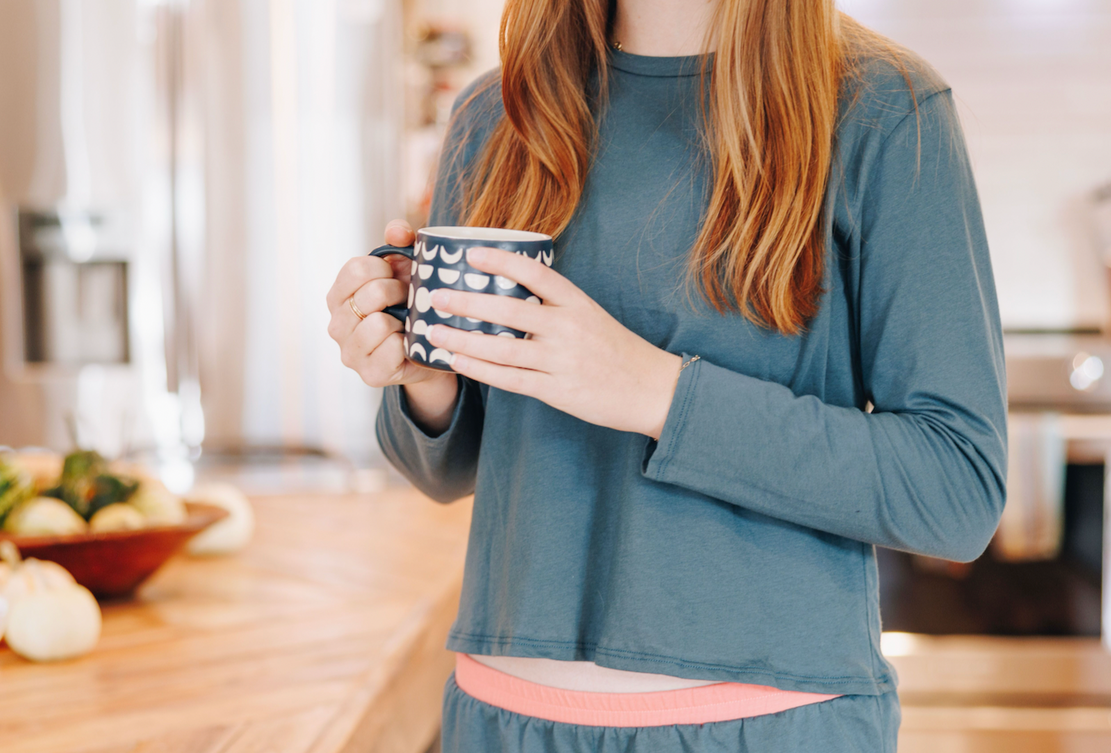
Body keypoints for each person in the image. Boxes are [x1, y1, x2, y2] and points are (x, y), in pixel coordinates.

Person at [325, 0, 1006, 750]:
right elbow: (452, 468)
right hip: (496, 714)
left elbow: (956, 488)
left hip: (760, 729)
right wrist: (423, 377)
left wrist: (655, 391)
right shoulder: (497, 112)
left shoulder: (884, 107)